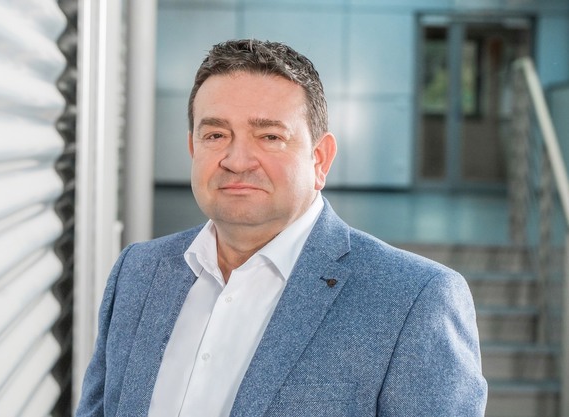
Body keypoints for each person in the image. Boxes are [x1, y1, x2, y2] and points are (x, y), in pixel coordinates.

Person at [76, 39, 487, 417]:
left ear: (320, 159)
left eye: (269, 136)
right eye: (216, 134)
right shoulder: (138, 271)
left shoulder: (414, 301)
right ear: (192, 148)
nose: (237, 160)